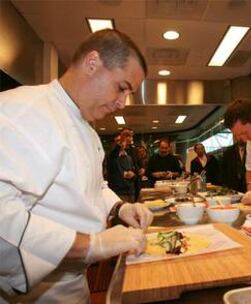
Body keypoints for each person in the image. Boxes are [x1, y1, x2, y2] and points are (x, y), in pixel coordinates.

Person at [0, 29, 154, 303]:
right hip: (33, 293)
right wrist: (91, 245)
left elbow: (93, 186)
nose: (122, 103)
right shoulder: (22, 111)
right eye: (122, 88)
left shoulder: (87, 129)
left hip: (73, 281)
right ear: (92, 63)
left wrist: (120, 208)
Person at [107, 129, 137, 202]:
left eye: (123, 141)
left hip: (131, 193)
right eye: (118, 141)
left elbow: (135, 174)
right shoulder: (111, 157)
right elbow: (114, 154)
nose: (122, 143)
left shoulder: (129, 157)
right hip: (118, 194)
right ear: (113, 144)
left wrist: (133, 175)